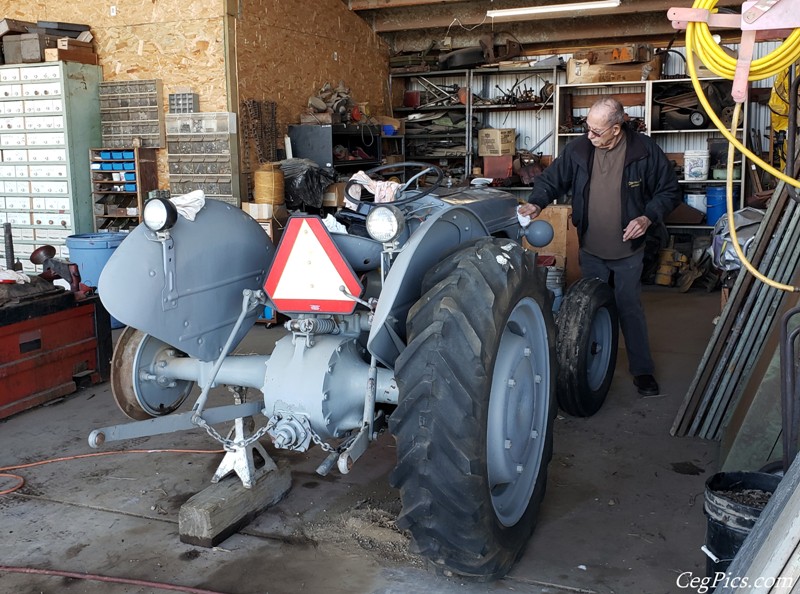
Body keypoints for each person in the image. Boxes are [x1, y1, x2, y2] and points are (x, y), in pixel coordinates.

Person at [518, 96, 681, 396]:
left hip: (629, 250)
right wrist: (536, 203)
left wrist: (647, 218)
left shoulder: (644, 152)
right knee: (589, 309)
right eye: (587, 128)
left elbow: (670, 191)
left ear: (616, 129)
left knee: (629, 308)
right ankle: (588, 366)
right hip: (591, 248)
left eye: (596, 131)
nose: (589, 135)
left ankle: (642, 371)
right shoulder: (580, 149)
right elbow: (553, 180)